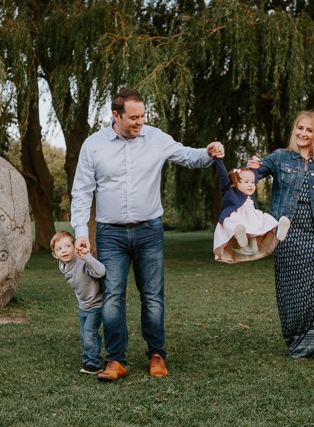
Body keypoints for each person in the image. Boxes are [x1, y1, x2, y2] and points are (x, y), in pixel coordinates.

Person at [71, 88, 224, 381]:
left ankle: (156, 355)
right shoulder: (94, 146)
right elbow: (82, 192)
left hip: (149, 231)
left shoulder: (156, 138)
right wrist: (81, 231)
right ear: (116, 116)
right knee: (113, 296)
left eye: (143, 116)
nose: (140, 122)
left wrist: (209, 151)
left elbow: (188, 157)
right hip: (110, 233)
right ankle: (115, 360)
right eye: (133, 117)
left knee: (152, 296)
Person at [249, 110, 314, 362]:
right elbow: (253, 176)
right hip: (286, 234)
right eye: (300, 128)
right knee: (292, 292)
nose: (303, 133)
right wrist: (250, 168)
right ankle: (299, 344)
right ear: (294, 130)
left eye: (309, 130)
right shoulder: (280, 157)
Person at [213, 157, 290, 263]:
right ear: (235, 184)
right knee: (233, 224)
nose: (251, 185)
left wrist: (254, 165)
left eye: (253, 183)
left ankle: (277, 231)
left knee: (267, 220)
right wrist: (218, 160)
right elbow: (223, 175)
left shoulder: (250, 194)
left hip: (252, 217)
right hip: (237, 217)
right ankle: (240, 236)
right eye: (246, 182)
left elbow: (254, 176)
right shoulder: (229, 191)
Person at [50, 231, 106, 374]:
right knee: (84, 333)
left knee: (89, 332)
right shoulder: (62, 266)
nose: (64, 250)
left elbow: (101, 272)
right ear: (55, 255)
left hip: (96, 304)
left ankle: (94, 363)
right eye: (59, 249)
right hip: (83, 305)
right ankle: (87, 358)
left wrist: (87, 256)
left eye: (68, 246)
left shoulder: (82, 262)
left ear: (75, 247)